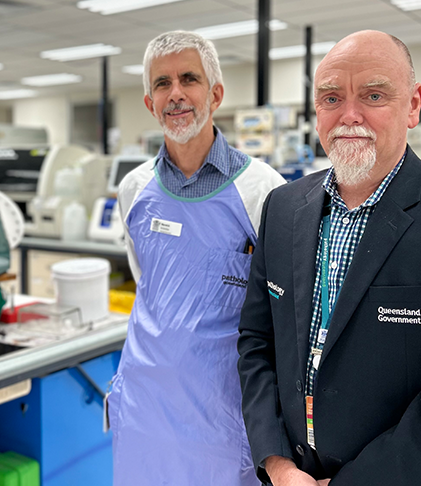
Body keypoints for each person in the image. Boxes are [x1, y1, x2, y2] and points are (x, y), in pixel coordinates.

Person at [237, 30, 421, 486]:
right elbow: (256, 343)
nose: (349, 115)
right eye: (331, 98)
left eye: (373, 95)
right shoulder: (283, 208)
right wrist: (275, 462)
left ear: (412, 105)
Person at [107, 31, 285, 485]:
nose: (176, 93)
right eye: (162, 83)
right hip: (144, 412)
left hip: (223, 421)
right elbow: (149, 283)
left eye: (190, 78)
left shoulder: (263, 191)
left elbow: (282, 313)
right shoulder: (133, 190)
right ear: (149, 103)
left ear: (216, 94)